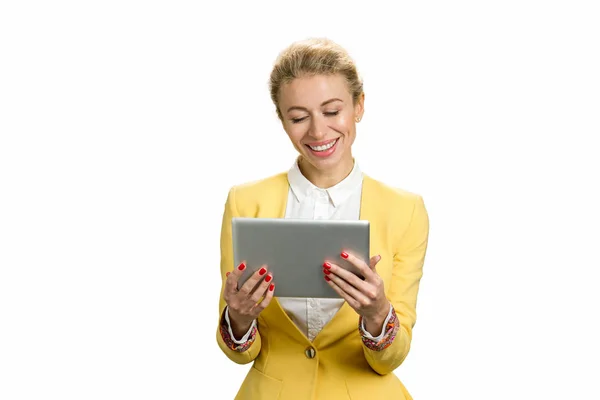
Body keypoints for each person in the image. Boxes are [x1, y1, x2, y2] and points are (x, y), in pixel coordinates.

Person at [216, 37, 430, 400]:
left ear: (359, 106)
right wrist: (237, 318)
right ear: (283, 120)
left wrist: (378, 314)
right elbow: (239, 352)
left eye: (332, 112)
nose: (317, 132)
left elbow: (391, 358)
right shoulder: (244, 201)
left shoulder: (405, 210)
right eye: (298, 117)